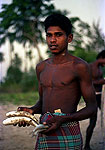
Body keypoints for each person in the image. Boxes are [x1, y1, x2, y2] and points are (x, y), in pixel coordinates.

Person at [17, 13, 97, 149]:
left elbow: (92, 107)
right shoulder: (41, 67)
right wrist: (31, 111)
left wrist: (64, 119)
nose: (52, 40)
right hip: (44, 129)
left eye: (58, 35)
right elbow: (43, 101)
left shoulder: (80, 67)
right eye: (49, 35)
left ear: (69, 38)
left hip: (68, 130)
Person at [84, 50, 105, 150]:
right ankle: (86, 145)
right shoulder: (90, 67)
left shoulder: (100, 67)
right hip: (93, 97)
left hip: (100, 96)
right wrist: (103, 81)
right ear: (102, 58)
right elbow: (88, 83)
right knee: (93, 122)